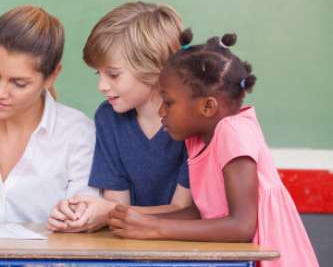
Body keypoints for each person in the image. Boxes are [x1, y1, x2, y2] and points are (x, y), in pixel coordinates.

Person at [108, 29, 319, 267]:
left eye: (168, 102)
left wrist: (155, 228)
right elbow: (203, 213)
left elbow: (241, 226)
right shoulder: (198, 138)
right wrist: (138, 218)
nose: (161, 112)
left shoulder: (233, 131)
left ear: (207, 107)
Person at [0, 5, 97, 222]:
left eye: (19, 83)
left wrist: (74, 218)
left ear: (52, 76)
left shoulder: (77, 133)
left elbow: (81, 214)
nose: (0, 92)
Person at [48, 2, 191, 232]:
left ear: (154, 68)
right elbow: (116, 207)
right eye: (99, 73)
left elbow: (184, 210)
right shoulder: (108, 119)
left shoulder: (191, 121)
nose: (102, 86)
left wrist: (108, 212)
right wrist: (81, 214)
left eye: (113, 74)